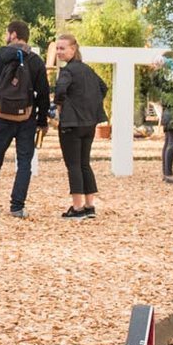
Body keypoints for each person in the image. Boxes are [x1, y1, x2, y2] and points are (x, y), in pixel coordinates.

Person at [0, 20, 49, 216]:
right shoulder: (35, 61)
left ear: (13, 35)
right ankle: (17, 206)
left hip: (2, 118)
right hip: (26, 119)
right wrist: (42, 121)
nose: (5, 36)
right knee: (25, 163)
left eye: (7, 33)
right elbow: (43, 93)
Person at [50, 33, 105, 220]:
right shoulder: (88, 70)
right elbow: (103, 88)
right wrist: (88, 104)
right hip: (89, 123)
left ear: (73, 49)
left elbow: (60, 91)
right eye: (57, 48)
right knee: (84, 163)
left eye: (62, 48)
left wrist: (60, 106)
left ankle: (77, 208)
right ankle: (90, 206)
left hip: (71, 124)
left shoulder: (67, 71)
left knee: (73, 164)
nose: (58, 52)